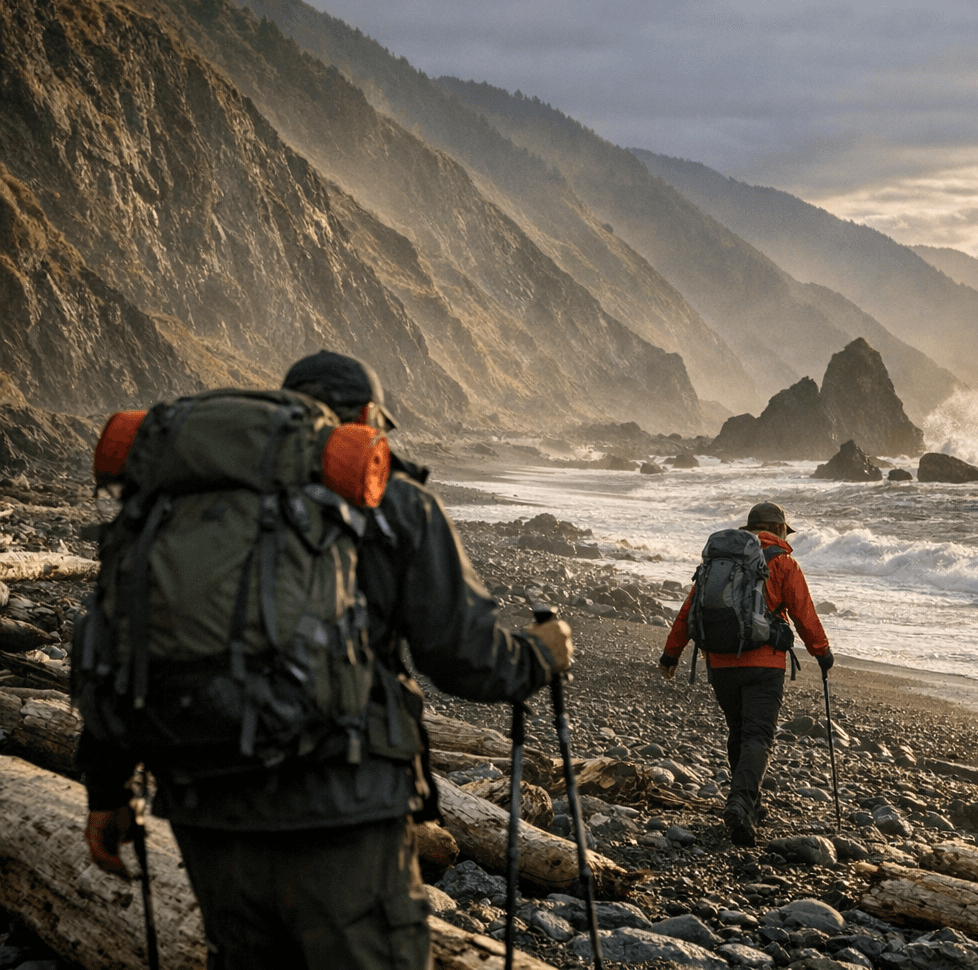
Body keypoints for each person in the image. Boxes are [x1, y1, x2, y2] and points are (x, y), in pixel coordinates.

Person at [77, 350, 573, 970]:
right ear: (366, 418)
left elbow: (118, 645)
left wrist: (106, 790)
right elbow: (464, 661)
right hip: (342, 811)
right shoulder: (389, 502)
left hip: (204, 806)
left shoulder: (168, 506)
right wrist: (541, 656)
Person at [658, 501, 832, 846]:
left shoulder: (719, 562)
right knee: (758, 736)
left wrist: (670, 654)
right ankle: (739, 804)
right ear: (779, 529)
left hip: (720, 662)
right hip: (764, 665)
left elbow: (689, 609)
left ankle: (748, 803)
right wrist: (822, 653)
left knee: (739, 732)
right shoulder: (783, 562)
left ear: (750, 527)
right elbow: (804, 615)